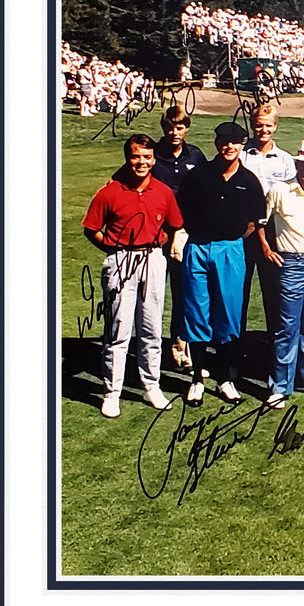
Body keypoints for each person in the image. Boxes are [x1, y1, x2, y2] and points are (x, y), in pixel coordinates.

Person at [81, 134, 183, 417]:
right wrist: (114, 249)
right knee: (119, 328)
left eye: (147, 157)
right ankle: (112, 392)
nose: (142, 162)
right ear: (128, 157)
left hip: (152, 258)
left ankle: (152, 385)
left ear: (154, 159)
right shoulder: (110, 192)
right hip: (120, 259)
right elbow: (92, 229)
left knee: (151, 327)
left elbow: (174, 225)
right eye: (136, 156)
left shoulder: (163, 192)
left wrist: (158, 244)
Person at [174, 122, 267, 406]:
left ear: (242, 145)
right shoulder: (198, 175)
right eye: (225, 141)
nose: (230, 147)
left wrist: (232, 240)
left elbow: (254, 221)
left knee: (227, 315)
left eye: (236, 142)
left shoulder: (249, 181)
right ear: (217, 144)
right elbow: (182, 211)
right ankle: (197, 380)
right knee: (197, 313)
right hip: (198, 247)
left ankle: (225, 378)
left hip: (230, 249)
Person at [259, 140, 304, 406]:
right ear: (297, 164)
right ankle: (279, 386)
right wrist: (267, 249)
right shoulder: (280, 190)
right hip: (290, 264)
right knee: (287, 326)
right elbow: (261, 222)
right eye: (303, 164)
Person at [151, 105, 208, 372]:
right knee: (152, 294)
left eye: (180, 127)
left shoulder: (194, 155)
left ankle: (179, 345)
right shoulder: (153, 154)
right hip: (155, 234)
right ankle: (148, 347)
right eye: (171, 128)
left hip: (184, 233)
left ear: (187, 128)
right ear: (164, 129)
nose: (175, 132)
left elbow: (208, 184)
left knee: (183, 291)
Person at [240, 105, 295, 362]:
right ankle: (235, 346)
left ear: (276, 126)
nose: (264, 130)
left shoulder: (285, 160)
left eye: (268, 125)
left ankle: (275, 347)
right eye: (259, 125)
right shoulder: (241, 155)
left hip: (273, 233)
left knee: (274, 290)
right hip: (242, 230)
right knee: (238, 290)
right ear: (253, 124)